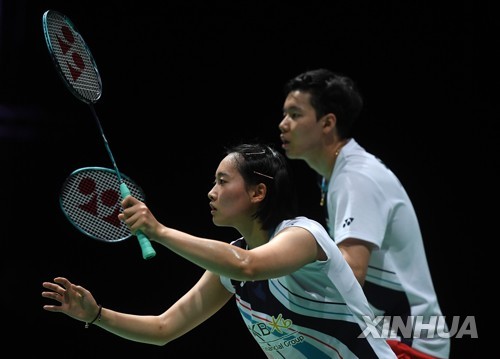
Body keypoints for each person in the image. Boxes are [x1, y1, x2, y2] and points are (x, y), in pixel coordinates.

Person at [42, 143, 396, 358]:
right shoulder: (231, 265)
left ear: (258, 192)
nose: (211, 192)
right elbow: (165, 328)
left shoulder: (304, 235)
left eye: (223, 182)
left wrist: (159, 231)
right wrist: (97, 315)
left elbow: (247, 266)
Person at [278, 68, 450, 359]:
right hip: (391, 336)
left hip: (410, 345)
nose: (283, 124)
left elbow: (351, 272)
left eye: (295, 115)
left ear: (327, 122)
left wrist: (279, 266)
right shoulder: (338, 176)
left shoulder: (356, 177)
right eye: (284, 114)